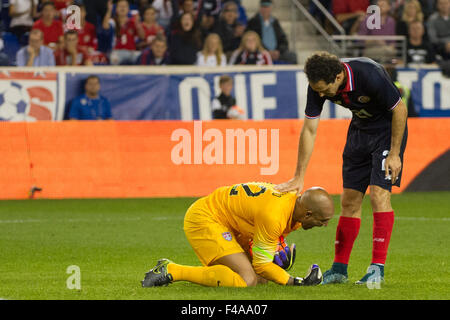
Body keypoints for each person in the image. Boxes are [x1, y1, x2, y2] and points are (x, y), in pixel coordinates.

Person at [275, 52, 408, 286]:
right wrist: (299, 176)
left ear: (338, 77)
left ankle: (377, 269)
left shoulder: (369, 74)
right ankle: (339, 269)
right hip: (359, 132)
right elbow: (309, 130)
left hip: (387, 134)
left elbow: (399, 110)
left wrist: (395, 153)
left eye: (324, 90)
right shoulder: (317, 86)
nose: (320, 95)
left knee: (378, 196)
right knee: (348, 201)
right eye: (316, 90)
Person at [141, 182, 334, 288]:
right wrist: (293, 281)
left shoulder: (295, 208)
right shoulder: (276, 215)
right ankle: (172, 270)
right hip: (207, 218)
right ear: (308, 214)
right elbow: (262, 263)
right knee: (247, 280)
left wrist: (271, 259)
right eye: (322, 220)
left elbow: (262, 255)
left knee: (262, 278)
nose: (324, 225)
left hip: (232, 225)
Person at [245, 0, 297, 64]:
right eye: (263, 7)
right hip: (260, 52)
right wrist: (266, 51)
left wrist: (278, 51)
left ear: (271, 8)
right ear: (260, 8)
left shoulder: (275, 22)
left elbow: (283, 40)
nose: (265, 9)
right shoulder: (253, 22)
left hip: (277, 52)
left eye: (267, 7)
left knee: (292, 56)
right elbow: (251, 40)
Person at [102, 0, 146, 65]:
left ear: (128, 9)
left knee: (142, 57)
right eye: (120, 6)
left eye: (125, 6)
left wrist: (138, 23)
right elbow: (105, 26)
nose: (122, 8)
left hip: (132, 52)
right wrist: (109, 10)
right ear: (116, 9)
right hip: (117, 52)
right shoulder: (113, 21)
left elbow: (142, 36)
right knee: (114, 59)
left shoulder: (133, 22)